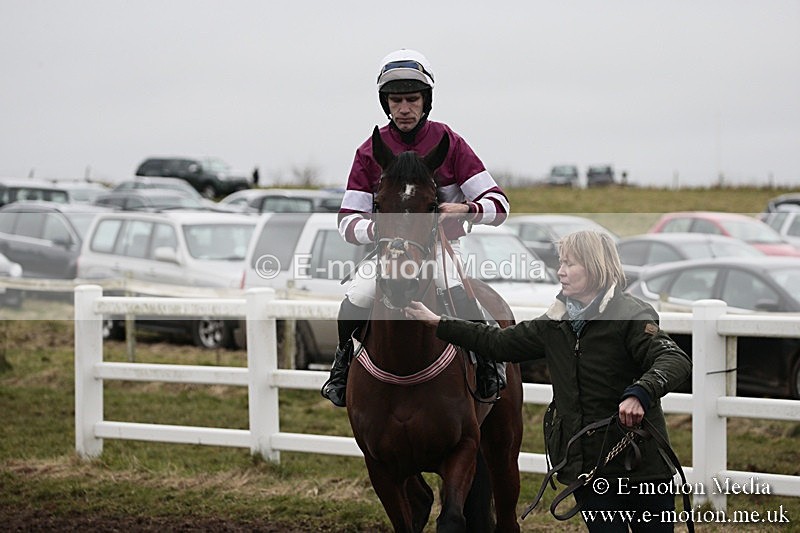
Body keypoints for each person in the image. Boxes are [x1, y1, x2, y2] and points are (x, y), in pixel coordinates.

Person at [404, 230, 692, 532]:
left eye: (570, 264)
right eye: (561, 262)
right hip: (590, 471)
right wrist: (440, 323)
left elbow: (674, 360)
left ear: (594, 267)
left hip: (643, 468)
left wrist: (640, 393)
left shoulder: (631, 315)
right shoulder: (556, 323)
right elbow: (498, 343)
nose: (560, 271)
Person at [320, 48, 511, 407]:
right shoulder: (369, 151)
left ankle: (487, 365)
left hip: (440, 247)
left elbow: (499, 206)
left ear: (426, 102)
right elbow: (348, 221)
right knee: (356, 297)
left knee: (455, 288)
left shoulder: (450, 142)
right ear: (386, 104)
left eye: (412, 99)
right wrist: (381, 231)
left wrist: (466, 208)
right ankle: (342, 367)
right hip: (389, 249)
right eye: (396, 100)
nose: (404, 108)